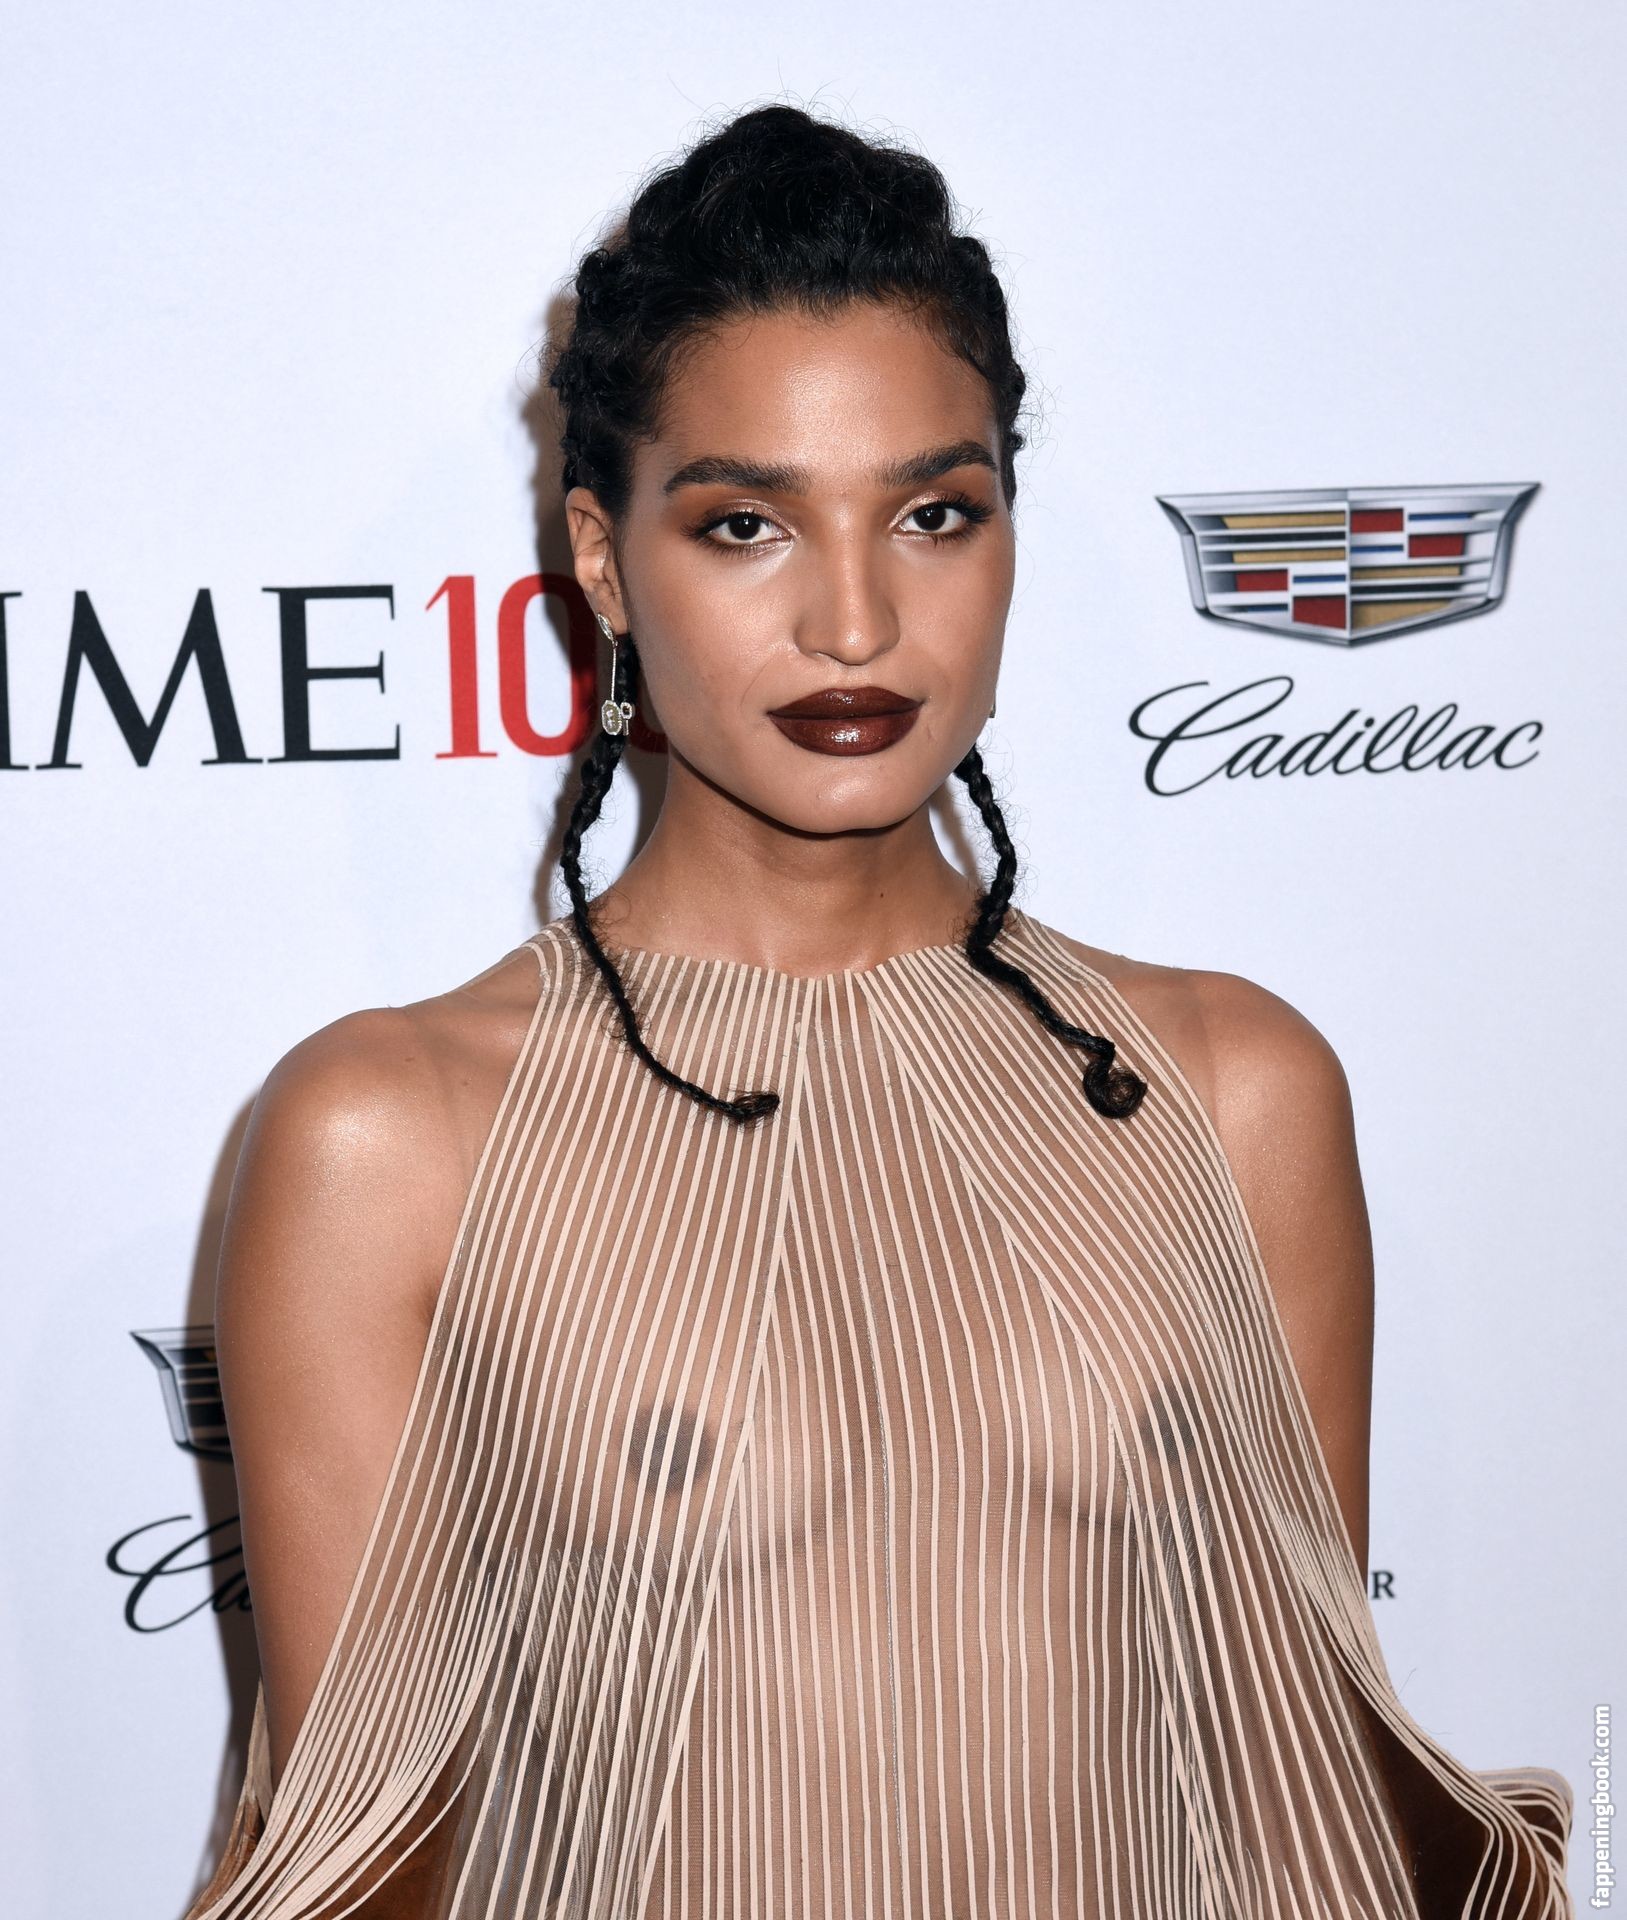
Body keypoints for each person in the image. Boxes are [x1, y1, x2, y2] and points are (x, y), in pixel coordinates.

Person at [183, 103, 1575, 1919]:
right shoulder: (392, 1136)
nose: (855, 620)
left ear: (1007, 532)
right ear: (603, 563)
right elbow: (370, 1870)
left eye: (933, 514)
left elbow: (1299, 1812)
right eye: (746, 524)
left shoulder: (1234, 1093)